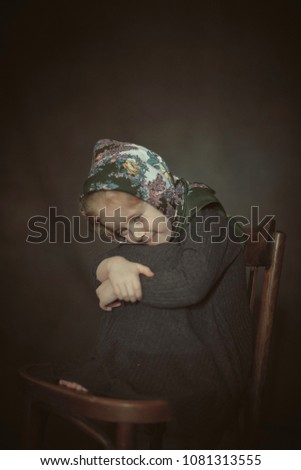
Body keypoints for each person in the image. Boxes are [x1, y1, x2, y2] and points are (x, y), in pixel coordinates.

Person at [57, 139, 252, 448]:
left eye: (136, 220)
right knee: (133, 256)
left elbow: (190, 284)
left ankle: (115, 371)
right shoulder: (149, 228)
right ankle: (115, 369)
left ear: (157, 195)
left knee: (151, 258)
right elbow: (114, 254)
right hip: (157, 357)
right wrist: (112, 266)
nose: (135, 233)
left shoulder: (211, 220)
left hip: (207, 362)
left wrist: (119, 285)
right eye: (122, 230)